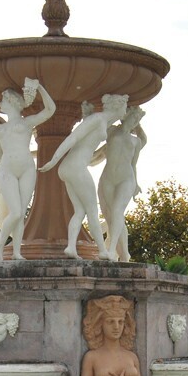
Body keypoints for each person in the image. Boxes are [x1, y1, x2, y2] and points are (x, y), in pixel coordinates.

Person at [39, 94, 130, 260]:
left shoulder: (102, 120)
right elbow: (74, 137)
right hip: (76, 167)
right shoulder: (97, 119)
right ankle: (102, 251)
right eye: (125, 105)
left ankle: (71, 247)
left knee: (80, 211)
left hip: (70, 167)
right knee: (92, 211)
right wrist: (53, 159)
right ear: (118, 105)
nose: (126, 109)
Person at [0, 78, 55, 261]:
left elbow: (50, 110)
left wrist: (40, 87)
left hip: (27, 168)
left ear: (11, 102)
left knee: (20, 214)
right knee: (16, 212)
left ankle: (17, 252)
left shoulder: (26, 122)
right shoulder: (0, 129)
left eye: (3, 100)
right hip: (8, 170)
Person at [94, 106, 146, 262]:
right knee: (110, 217)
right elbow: (100, 124)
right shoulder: (111, 132)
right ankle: (124, 254)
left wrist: (136, 183)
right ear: (125, 116)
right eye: (133, 117)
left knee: (117, 211)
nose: (135, 121)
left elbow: (133, 164)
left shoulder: (136, 141)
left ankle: (111, 251)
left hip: (126, 179)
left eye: (137, 119)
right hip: (108, 178)